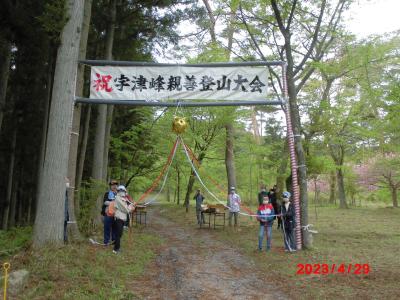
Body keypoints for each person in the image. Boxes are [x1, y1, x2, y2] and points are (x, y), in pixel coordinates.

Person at [112, 185, 135, 254]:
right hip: (119, 218)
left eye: (123, 191)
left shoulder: (123, 198)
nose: (123, 192)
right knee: (118, 234)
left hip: (122, 219)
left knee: (120, 234)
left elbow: (128, 205)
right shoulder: (118, 198)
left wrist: (132, 205)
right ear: (119, 191)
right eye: (121, 191)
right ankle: (116, 249)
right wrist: (131, 208)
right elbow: (126, 209)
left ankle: (116, 245)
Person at [102, 180, 118, 245]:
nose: (114, 186)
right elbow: (105, 202)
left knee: (115, 227)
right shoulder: (107, 193)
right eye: (112, 185)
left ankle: (114, 240)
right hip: (108, 213)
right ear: (110, 186)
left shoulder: (119, 194)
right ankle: (106, 241)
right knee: (107, 227)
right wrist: (113, 202)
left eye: (115, 185)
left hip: (117, 214)